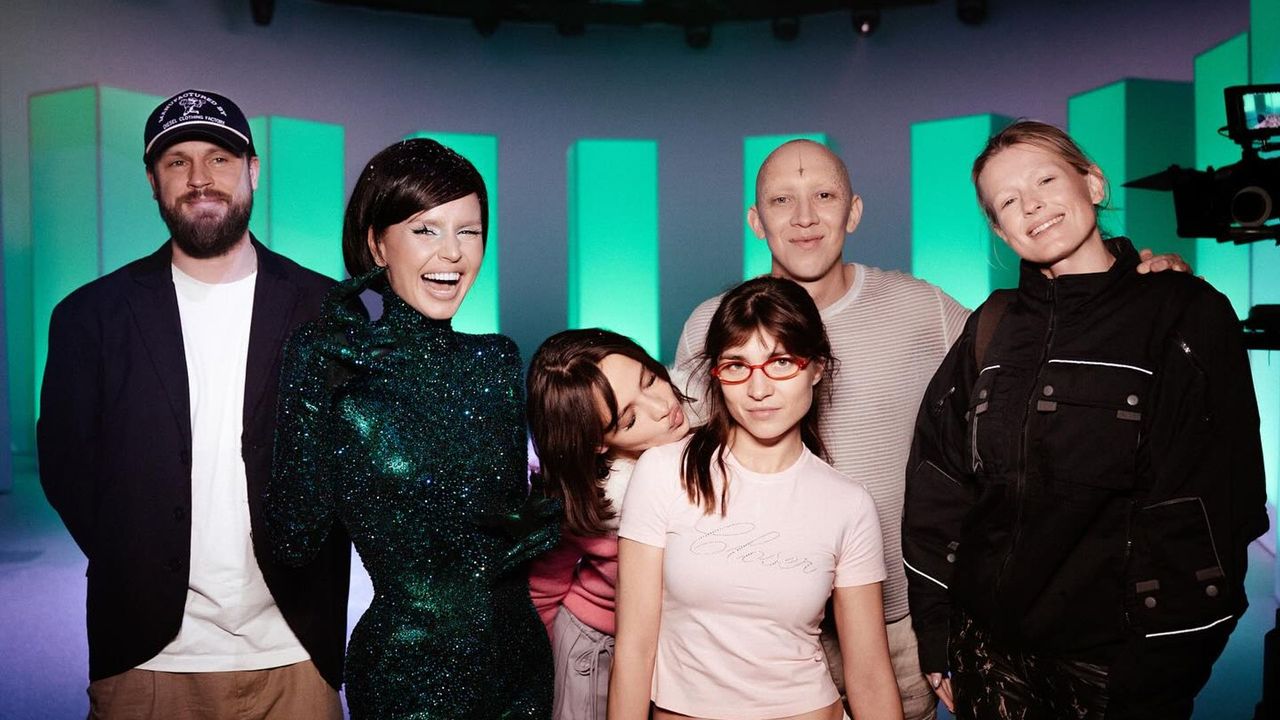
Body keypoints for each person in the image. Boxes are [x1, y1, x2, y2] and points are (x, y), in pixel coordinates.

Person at [673, 139, 1190, 720]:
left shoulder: (924, 309)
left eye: (824, 196)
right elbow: (676, 465)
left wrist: (1134, 284)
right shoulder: (711, 326)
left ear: (854, 211)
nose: (804, 217)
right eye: (781, 200)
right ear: (756, 220)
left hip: (896, 624)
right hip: (759, 624)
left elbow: (1046, 345)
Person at [901, 120, 1268, 719]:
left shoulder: (1184, 313)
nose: (1031, 206)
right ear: (999, 229)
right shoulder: (991, 326)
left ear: (1093, 184)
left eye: (1045, 180)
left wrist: (1158, 673)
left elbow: (1220, 503)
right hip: (988, 659)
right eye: (1007, 201)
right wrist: (939, 634)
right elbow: (938, 486)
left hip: (1119, 670)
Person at [37, 89, 350, 718]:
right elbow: (66, 469)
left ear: (253, 170)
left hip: (294, 650)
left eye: (220, 158)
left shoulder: (328, 310)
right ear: (153, 180)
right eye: (178, 161)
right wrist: (135, 557)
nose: (200, 178)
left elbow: (350, 466)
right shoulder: (89, 316)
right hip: (147, 660)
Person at [267, 138, 557, 718]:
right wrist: (308, 384)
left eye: (469, 231)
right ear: (377, 243)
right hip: (406, 677)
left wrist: (547, 516)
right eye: (426, 230)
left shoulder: (496, 360)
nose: (452, 252)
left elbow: (501, 520)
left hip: (520, 666)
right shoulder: (334, 366)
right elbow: (293, 542)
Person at [612, 276, 903, 720]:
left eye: (781, 362)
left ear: (816, 367)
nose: (759, 389)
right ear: (716, 374)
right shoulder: (664, 472)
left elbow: (869, 675)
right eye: (736, 366)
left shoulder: (849, 504)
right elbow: (634, 649)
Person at [525, 328, 691, 720]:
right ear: (597, 442)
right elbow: (543, 591)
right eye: (630, 418)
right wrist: (536, 677)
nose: (661, 407)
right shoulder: (594, 503)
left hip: (674, 649)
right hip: (595, 646)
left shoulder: (717, 444)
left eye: (650, 379)